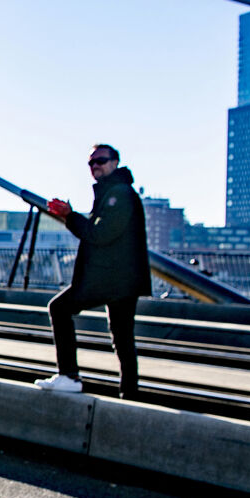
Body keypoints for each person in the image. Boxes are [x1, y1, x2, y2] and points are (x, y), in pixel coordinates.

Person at [35, 144, 151, 398]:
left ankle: (69, 376)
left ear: (115, 162)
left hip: (111, 278)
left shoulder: (119, 194)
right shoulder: (114, 192)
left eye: (101, 160)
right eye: (91, 163)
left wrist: (70, 216)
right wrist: (72, 216)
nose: (95, 166)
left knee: (60, 308)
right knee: (122, 337)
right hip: (120, 278)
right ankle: (129, 394)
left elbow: (99, 235)